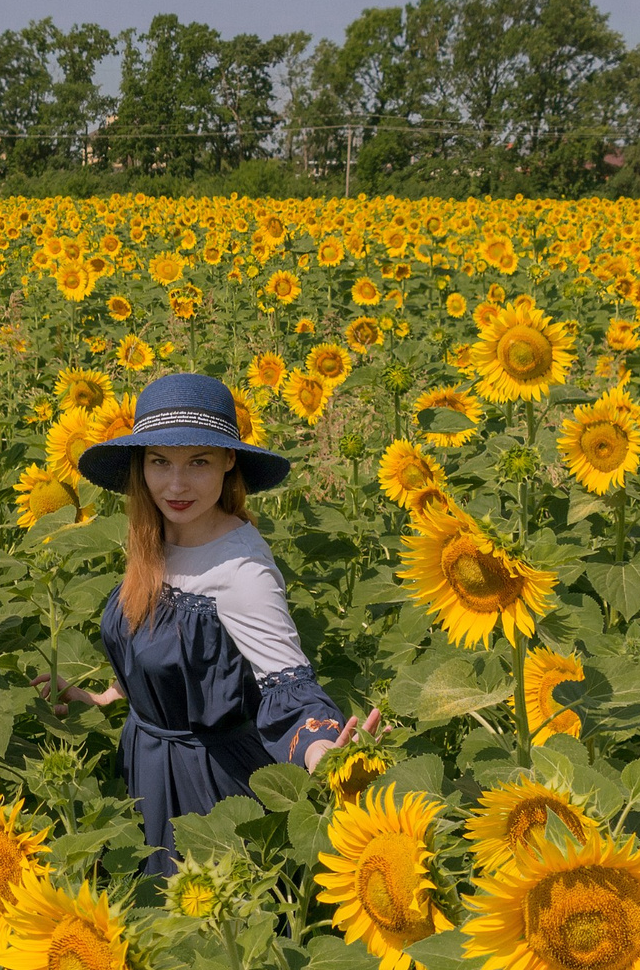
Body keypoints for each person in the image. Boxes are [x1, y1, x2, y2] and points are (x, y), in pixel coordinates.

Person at [38, 372, 384, 875]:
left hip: (207, 790)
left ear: (229, 461)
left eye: (198, 462)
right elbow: (168, 652)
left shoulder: (243, 572)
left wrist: (321, 749)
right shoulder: (154, 536)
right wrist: (106, 698)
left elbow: (287, 688)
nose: (176, 485)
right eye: (160, 462)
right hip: (143, 765)